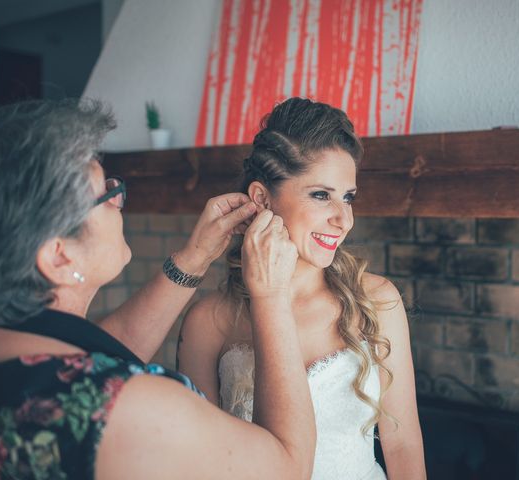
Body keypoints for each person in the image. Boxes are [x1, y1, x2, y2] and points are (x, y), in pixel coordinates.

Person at [0, 99, 316, 479]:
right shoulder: (135, 405)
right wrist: (270, 296)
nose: (119, 199)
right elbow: (288, 465)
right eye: (105, 194)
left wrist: (194, 258)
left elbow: (95, 350)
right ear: (58, 257)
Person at [178, 97, 427, 479]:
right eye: (321, 195)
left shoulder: (377, 301)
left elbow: (403, 444)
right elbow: (202, 463)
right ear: (263, 198)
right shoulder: (209, 321)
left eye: (348, 197)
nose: (343, 219)